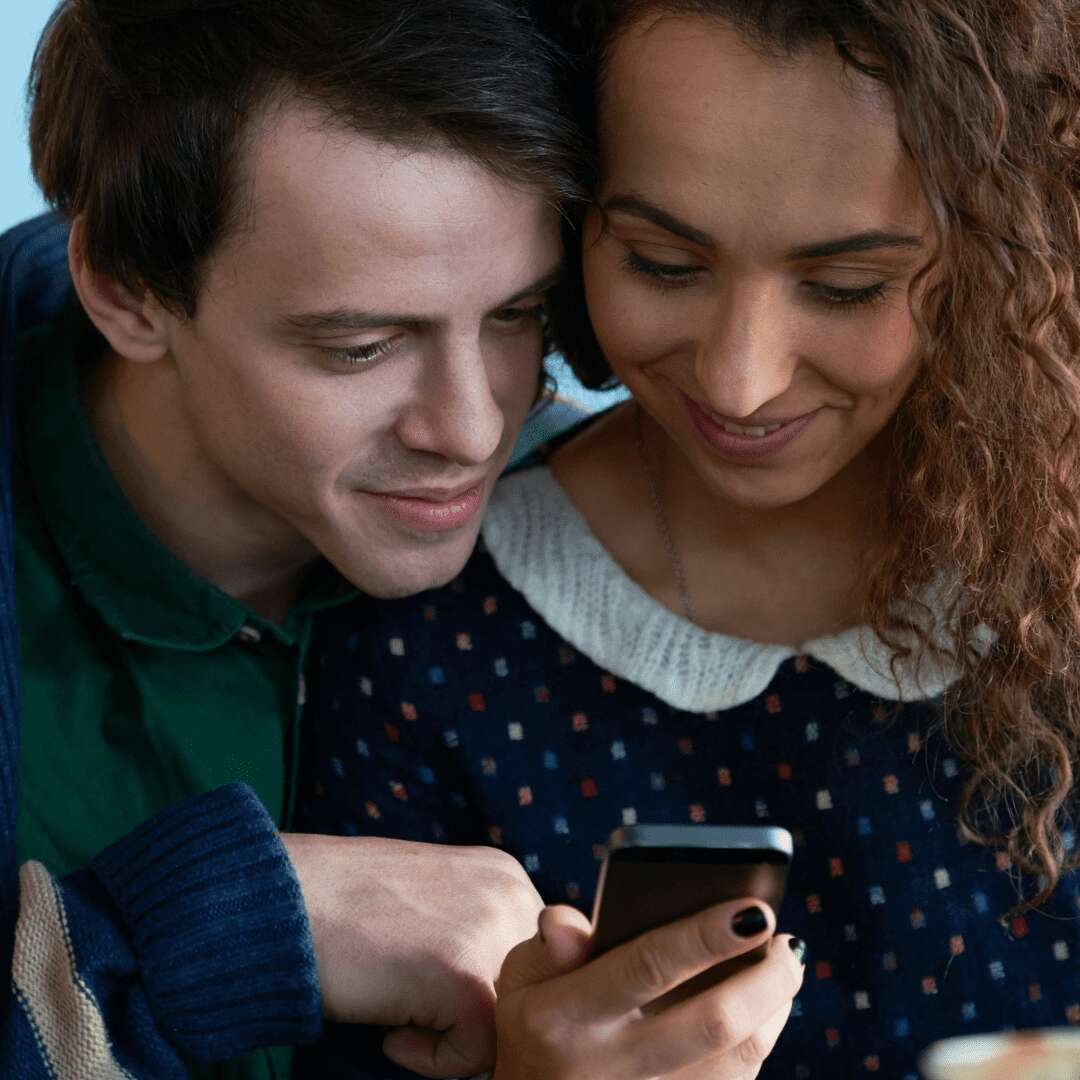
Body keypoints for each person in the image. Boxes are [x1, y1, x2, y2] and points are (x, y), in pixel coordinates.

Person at [299, 0, 1080, 1076]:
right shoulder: (424, 636)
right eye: (665, 263)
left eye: (845, 286)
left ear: (1001, 251)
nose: (738, 382)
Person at [6, 1, 590, 1077]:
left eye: (518, 316)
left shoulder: (588, 516)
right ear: (126, 290)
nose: (471, 428)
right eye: (362, 347)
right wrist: (221, 925)